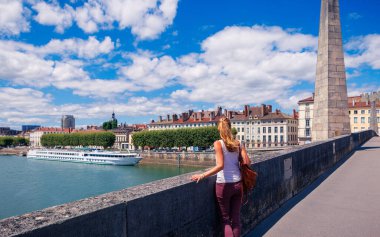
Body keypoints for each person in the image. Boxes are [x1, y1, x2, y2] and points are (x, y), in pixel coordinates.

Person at [191, 117, 251, 237]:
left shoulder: (218, 143)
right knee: (236, 220)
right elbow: (247, 162)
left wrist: (202, 175)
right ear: (230, 128)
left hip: (224, 185)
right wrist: (242, 150)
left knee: (225, 220)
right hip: (238, 184)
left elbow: (220, 166)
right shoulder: (238, 144)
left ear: (219, 129)